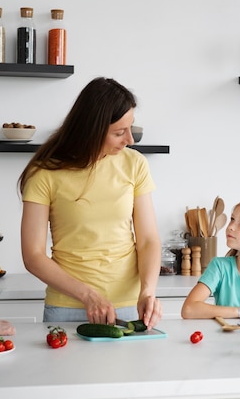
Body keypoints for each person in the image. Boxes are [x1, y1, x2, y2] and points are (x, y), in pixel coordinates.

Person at [18, 77, 162, 328]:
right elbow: (33, 255)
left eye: (131, 128)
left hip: (129, 307)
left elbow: (148, 239)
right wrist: (88, 296)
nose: (130, 139)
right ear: (92, 130)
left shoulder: (135, 164)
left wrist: (147, 291)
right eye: (119, 132)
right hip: (69, 308)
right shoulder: (44, 173)